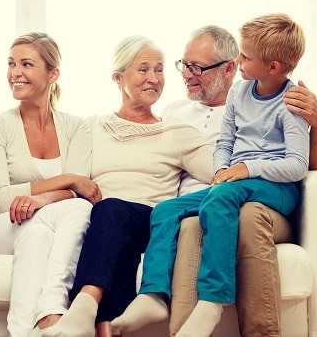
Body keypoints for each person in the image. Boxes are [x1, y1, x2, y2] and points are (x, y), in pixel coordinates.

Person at [114, 13, 312, 337]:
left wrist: (247, 169)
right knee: (166, 210)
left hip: (275, 187)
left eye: (245, 57)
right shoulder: (239, 94)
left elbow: (296, 165)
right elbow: (226, 142)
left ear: (273, 67)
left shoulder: (289, 104)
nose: (239, 60)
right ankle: (152, 294)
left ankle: (213, 300)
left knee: (221, 198)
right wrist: (222, 169)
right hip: (233, 183)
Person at [39, 35, 215, 337]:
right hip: (103, 225)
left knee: (111, 210)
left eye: (159, 70)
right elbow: (63, 168)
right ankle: (107, 330)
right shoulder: (90, 126)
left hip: (151, 221)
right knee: (111, 231)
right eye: (143, 69)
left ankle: (84, 305)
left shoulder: (176, 131)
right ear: (119, 78)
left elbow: (221, 171)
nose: (154, 78)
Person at [0, 32, 101, 337]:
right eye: (11, 63)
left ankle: (24, 331)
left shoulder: (76, 126)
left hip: (39, 222)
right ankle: (52, 307)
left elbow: (80, 192)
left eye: (27, 64)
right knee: (73, 210)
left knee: (40, 231)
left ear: (52, 74)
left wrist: (41, 199)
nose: (15, 72)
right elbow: (1, 198)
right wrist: (67, 179)